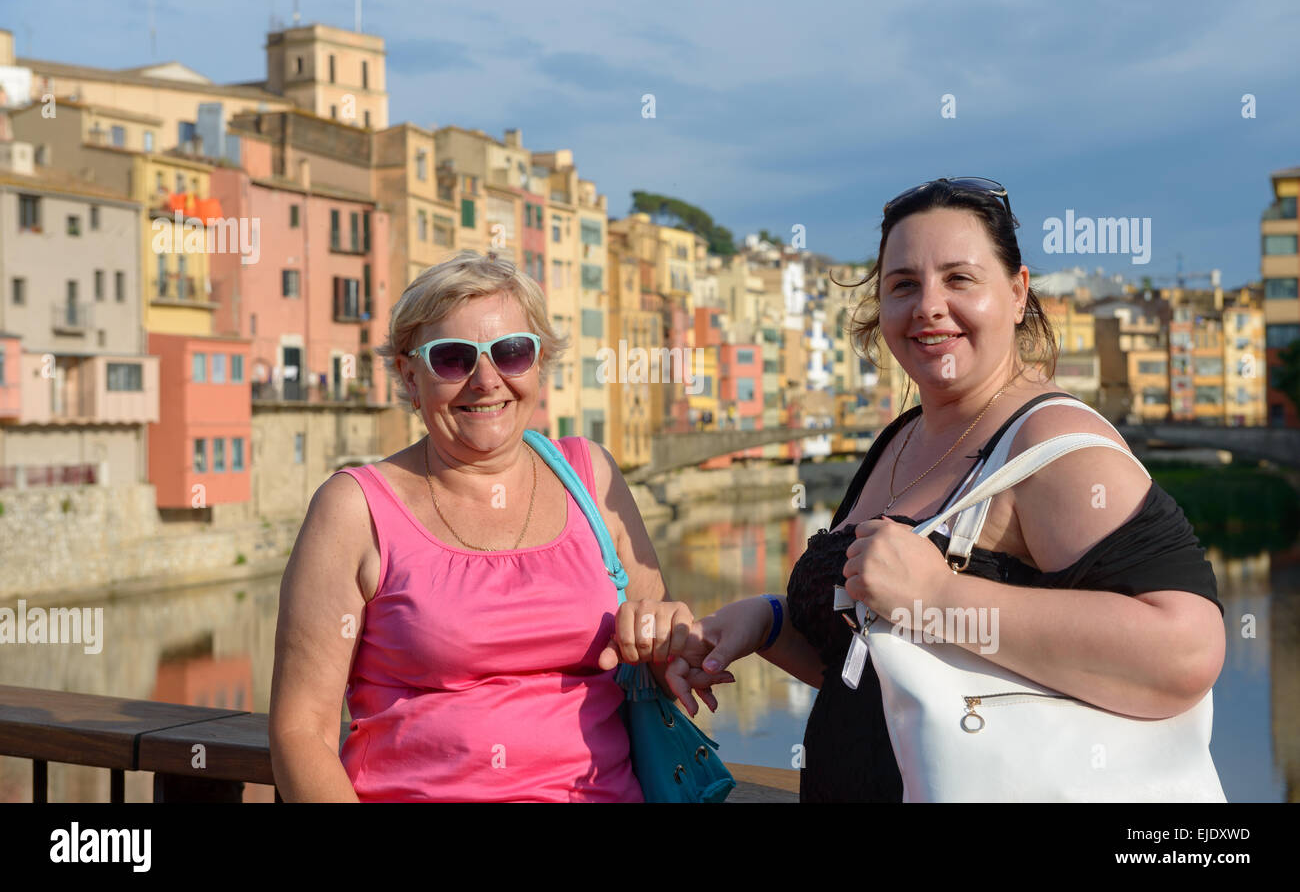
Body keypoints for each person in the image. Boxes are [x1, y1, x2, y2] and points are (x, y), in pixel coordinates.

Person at [688, 178, 1226, 801]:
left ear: (1018, 292)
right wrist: (766, 623)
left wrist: (938, 593)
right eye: (904, 285)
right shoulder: (903, 438)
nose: (929, 306)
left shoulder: (1051, 443)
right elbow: (880, 669)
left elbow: (1184, 652)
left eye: (959, 279)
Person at [268, 251, 725, 802]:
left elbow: (661, 656)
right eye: (454, 359)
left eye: (511, 352)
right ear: (411, 378)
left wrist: (670, 642)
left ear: (538, 365)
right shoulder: (353, 509)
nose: (487, 381)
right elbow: (302, 731)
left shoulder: (592, 476)